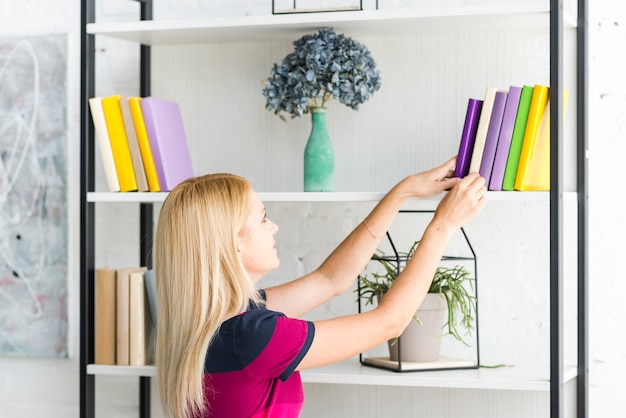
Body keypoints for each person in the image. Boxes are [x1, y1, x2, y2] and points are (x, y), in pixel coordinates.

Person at [154, 157, 487, 418]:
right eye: (263, 218)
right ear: (233, 244)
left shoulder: (219, 322)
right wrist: (443, 225)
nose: (274, 227)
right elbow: (390, 322)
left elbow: (332, 279)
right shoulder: (253, 336)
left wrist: (404, 191)